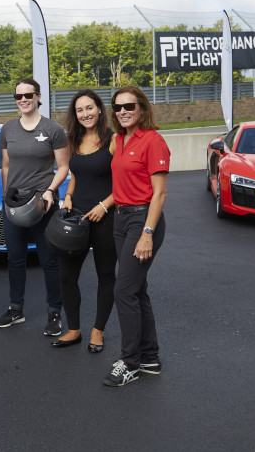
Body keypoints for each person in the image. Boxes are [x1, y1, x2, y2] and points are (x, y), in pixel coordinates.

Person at [103, 85, 169, 387]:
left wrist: (147, 234)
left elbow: (160, 194)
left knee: (124, 291)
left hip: (143, 220)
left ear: (141, 108)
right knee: (137, 290)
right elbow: (118, 182)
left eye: (129, 106)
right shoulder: (118, 140)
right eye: (117, 107)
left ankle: (130, 363)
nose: (123, 111)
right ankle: (150, 356)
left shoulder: (153, 141)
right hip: (120, 219)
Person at [0, 77, 70, 336]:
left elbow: (63, 167)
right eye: (19, 96)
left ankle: (54, 313)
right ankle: (16, 308)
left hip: (43, 203)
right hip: (15, 206)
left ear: (39, 96)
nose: (24, 100)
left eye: (29, 95)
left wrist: (50, 191)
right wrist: (7, 194)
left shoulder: (53, 129)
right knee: (15, 259)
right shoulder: (8, 129)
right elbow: (6, 165)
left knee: (49, 261)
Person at [53, 90, 117, 350]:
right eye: (80, 110)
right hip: (77, 218)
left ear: (99, 109)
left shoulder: (113, 140)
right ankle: (73, 329)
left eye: (89, 108)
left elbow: (125, 182)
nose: (85, 114)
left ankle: (98, 332)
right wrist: (67, 196)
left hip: (106, 216)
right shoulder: (74, 139)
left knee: (105, 276)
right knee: (67, 276)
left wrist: (104, 205)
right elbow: (75, 174)